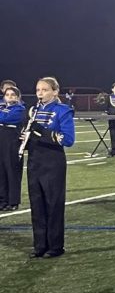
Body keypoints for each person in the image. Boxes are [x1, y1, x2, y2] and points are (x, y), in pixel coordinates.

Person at [23, 77, 75, 257]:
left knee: (53, 205)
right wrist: (25, 140)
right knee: (36, 204)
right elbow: (32, 135)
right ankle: (39, 246)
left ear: (55, 92)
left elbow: (68, 140)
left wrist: (42, 132)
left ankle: (55, 246)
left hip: (53, 162)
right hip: (34, 161)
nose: (40, 93)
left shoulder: (63, 111)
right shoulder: (33, 111)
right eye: (38, 90)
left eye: (45, 90)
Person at [0, 83, 27, 211]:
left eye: (12, 95)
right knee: (1, 172)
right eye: (7, 95)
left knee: (12, 172)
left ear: (17, 97)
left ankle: (13, 201)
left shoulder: (20, 109)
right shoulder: (3, 107)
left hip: (12, 143)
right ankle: (2, 200)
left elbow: (8, 118)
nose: (9, 97)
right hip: (1, 142)